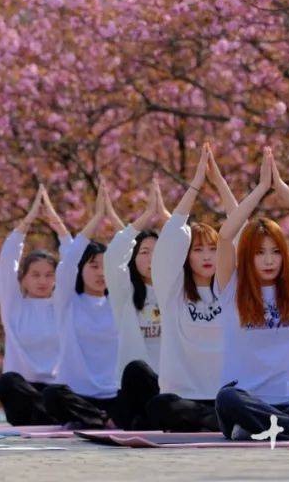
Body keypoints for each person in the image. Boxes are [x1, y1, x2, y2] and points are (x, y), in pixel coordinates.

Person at [212, 148, 289, 439]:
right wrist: (260, 190)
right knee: (227, 398)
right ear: (247, 257)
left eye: (275, 252)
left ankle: (273, 429)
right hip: (247, 403)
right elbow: (226, 236)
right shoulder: (233, 286)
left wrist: (281, 188)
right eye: (259, 253)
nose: (268, 260)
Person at [146, 144, 235, 432]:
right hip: (185, 398)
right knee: (160, 407)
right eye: (199, 250)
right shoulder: (172, 291)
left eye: (212, 249)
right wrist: (196, 184)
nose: (208, 256)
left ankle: (221, 419)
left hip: (225, 396)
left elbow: (240, 230)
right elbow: (173, 233)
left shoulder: (230, 289)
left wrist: (219, 182)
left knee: (241, 403)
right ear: (186, 256)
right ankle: (216, 423)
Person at [41, 181, 121, 428]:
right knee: (51, 395)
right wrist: (97, 218)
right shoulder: (67, 301)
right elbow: (68, 262)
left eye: (105, 266)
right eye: (94, 266)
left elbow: (135, 253)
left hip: (114, 395)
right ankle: (102, 421)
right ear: (81, 269)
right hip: (77, 395)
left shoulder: (120, 301)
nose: (101, 273)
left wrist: (114, 218)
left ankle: (102, 419)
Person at [0, 186, 69, 425]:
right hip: (23, 391)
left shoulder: (63, 304)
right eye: (35, 275)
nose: (42, 281)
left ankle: (50, 414)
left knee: (56, 395)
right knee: (8, 382)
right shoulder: (13, 305)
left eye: (49, 275)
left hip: (56, 390)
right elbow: (7, 262)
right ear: (23, 279)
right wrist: (27, 221)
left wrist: (58, 226)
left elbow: (73, 262)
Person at [104, 178, 172, 430]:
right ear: (134, 259)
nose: (151, 258)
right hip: (135, 385)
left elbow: (189, 247)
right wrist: (146, 216)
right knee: (136, 370)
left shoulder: (177, 290)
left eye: (157, 251)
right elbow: (113, 256)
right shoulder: (125, 293)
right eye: (144, 252)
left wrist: (166, 216)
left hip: (169, 386)